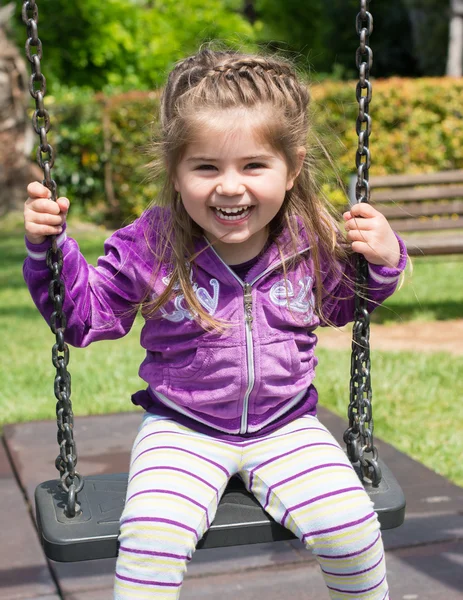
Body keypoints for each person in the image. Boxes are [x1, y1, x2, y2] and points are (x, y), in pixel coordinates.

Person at [24, 48, 406, 600]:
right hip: (182, 428)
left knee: (352, 530)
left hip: (287, 424)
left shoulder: (310, 239)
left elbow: (348, 304)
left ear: (292, 167)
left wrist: (381, 259)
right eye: (206, 167)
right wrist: (51, 252)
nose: (230, 187)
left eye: (253, 166)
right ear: (176, 172)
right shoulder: (150, 245)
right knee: (150, 543)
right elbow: (85, 317)